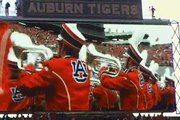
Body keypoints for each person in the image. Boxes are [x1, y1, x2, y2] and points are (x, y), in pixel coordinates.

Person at [17, 23, 91, 111]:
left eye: (59, 43)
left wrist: (29, 65)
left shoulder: (55, 66)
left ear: (62, 45)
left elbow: (25, 87)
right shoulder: (85, 67)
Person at [99, 44, 146, 111]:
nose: (124, 60)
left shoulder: (130, 78)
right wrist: (115, 71)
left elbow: (106, 82)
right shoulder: (137, 73)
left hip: (130, 111)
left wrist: (102, 69)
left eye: (126, 58)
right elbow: (125, 77)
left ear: (130, 61)